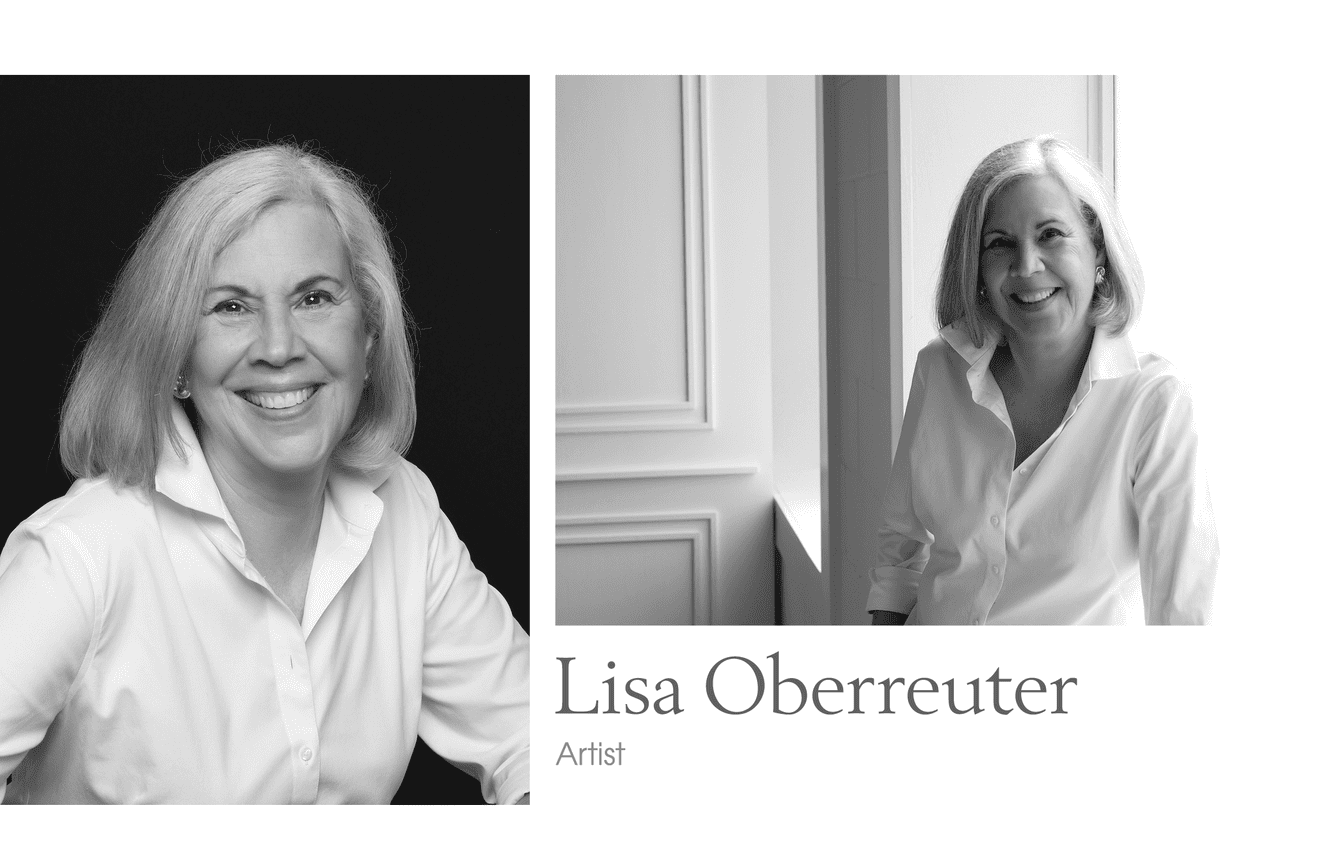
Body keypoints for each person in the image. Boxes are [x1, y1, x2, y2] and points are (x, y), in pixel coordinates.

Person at [0, 144, 530, 802]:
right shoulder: (81, 553)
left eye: (315, 298)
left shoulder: (405, 509)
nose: (279, 347)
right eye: (231, 307)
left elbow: (534, 738)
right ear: (174, 357)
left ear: (368, 338)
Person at [869, 135, 1217, 626]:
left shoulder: (1155, 403)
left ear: (1098, 252)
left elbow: (1183, 617)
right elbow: (901, 547)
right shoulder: (940, 370)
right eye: (1000, 243)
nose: (1027, 265)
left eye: (1051, 234)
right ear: (976, 268)